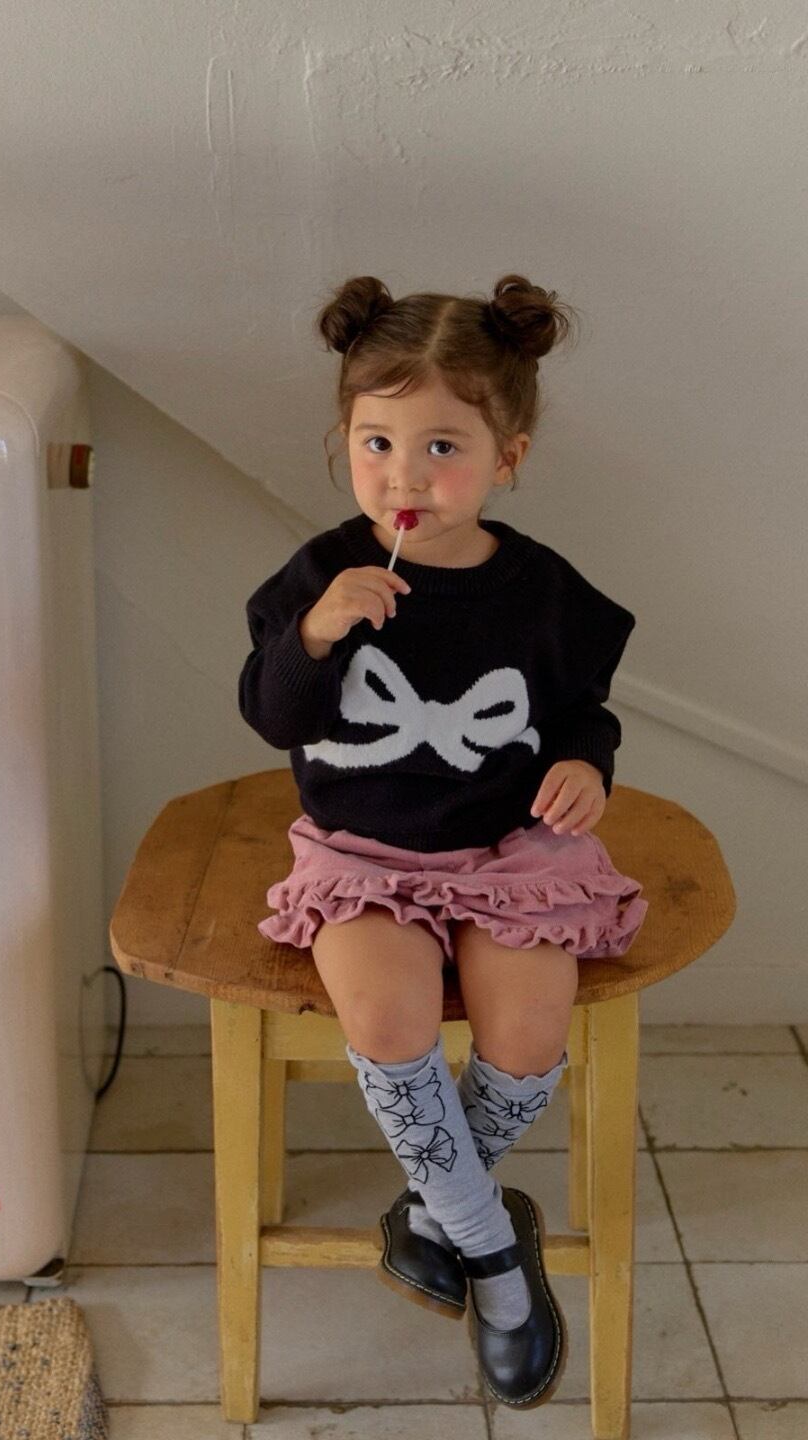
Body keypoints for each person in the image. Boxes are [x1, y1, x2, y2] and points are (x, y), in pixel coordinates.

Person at [237, 273, 649, 1410]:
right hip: (362, 856)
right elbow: (273, 714)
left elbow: (581, 714)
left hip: (507, 853)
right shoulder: (322, 575)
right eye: (377, 443)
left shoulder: (543, 592)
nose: (405, 476)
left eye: (442, 448)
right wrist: (316, 634)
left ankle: (433, 1211)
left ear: (507, 457)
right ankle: (496, 1258)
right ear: (344, 441)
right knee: (387, 1018)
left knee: (529, 1028)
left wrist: (586, 767)